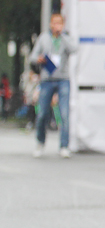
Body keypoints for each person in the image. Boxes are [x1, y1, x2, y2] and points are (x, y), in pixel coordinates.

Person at [28, 13, 77, 158]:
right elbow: (32, 56)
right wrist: (39, 59)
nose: (57, 25)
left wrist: (61, 35)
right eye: (55, 23)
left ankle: (64, 146)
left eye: (59, 23)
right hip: (47, 80)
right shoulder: (43, 38)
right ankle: (40, 142)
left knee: (64, 114)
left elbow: (74, 49)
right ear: (50, 24)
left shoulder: (66, 38)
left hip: (63, 80)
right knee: (42, 113)